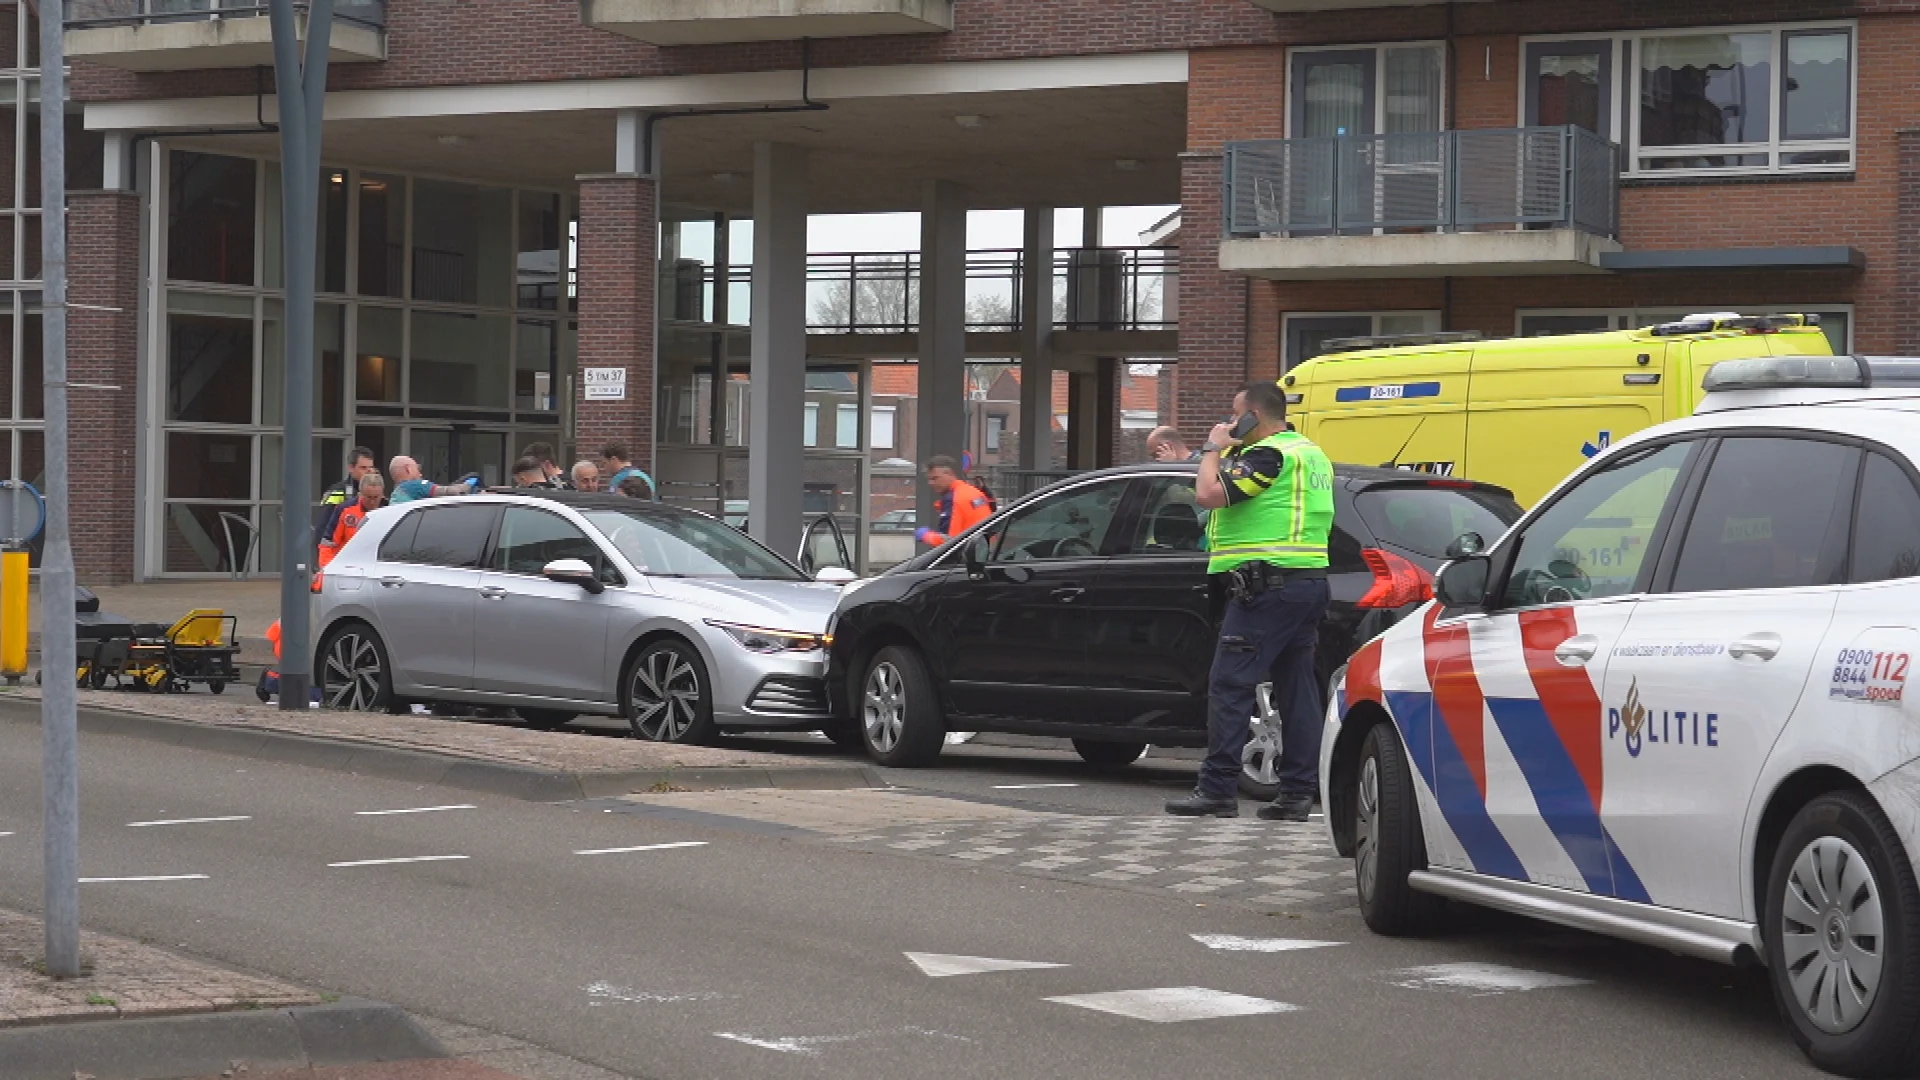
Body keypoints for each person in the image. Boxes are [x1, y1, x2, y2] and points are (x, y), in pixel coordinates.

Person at [1165, 380, 1334, 822]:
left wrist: (1211, 448)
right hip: (1306, 582)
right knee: (1297, 689)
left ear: (1252, 416)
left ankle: (1218, 789)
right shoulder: (1309, 453)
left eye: (1234, 412)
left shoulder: (1269, 454)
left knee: (1229, 685)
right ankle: (1297, 793)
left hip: (1266, 586)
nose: (1228, 419)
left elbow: (1208, 494)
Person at [915, 454, 994, 547]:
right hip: (983, 551)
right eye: (929, 479)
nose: (930, 483)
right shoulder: (974, 492)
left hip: (964, 556)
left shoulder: (953, 498)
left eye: (935, 478)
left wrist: (926, 535)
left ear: (949, 473)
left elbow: (947, 542)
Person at [316, 446, 377, 550]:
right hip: (341, 554)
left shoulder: (378, 493)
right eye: (363, 468)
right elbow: (323, 527)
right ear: (351, 468)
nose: (368, 472)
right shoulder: (337, 491)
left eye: (370, 467)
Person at [319, 472, 385, 567]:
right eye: (368, 497)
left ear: (382, 494)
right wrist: (327, 568)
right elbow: (327, 543)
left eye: (376, 497)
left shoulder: (390, 511)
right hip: (347, 566)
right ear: (360, 494)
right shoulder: (345, 510)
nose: (372, 501)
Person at [388, 455, 476, 503]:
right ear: (408, 469)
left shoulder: (397, 492)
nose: (421, 474)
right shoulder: (413, 486)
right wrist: (471, 484)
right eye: (418, 468)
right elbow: (450, 492)